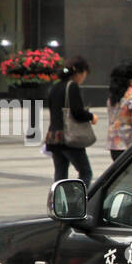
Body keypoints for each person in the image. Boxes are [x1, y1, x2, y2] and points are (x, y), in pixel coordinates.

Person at [46, 56, 96, 184]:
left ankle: (59, 201)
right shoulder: (72, 86)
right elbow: (77, 112)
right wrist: (91, 116)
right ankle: (77, 200)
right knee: (85, 172)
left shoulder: (54, 87)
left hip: (54, 138)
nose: (84, 77)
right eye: (84, 74)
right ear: (79, 73)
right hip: (69, 138)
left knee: (60, 174)